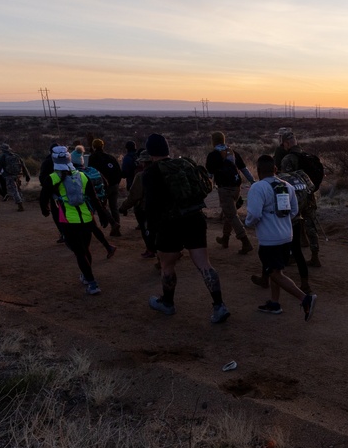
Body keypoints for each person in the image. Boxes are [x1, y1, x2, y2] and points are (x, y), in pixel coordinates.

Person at [141, 133, 230, 324]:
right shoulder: (184, 164)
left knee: (167, 266)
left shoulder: (150, 172)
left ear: (150, 152)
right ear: (167, 148)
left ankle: (168, 303)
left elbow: (151, 205)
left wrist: (151, 230)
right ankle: (219, 305)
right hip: (195, 218)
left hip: (169, 224)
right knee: (205, 264)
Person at [245, 155, 317, 319]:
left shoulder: (258, 187)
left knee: (274, 273)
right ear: (275, 169)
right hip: (286, 236)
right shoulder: (287, 186)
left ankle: (305, 299)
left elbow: (254, 214)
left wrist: (248, 223)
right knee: (276, 270)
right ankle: (274, 303)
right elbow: (293, 211)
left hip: (269, 239)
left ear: (258, 170)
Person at [44, 145, 106, 295]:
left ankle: (92, 283)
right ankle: (86, 277)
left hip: (67, 221)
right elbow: (94, 198)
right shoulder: (83, 176)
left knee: (79, 253)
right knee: (86, 250)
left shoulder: (52, 178)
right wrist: (103, 214)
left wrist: (45, 209)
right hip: (86, 219)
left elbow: (43, 198)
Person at [204, 131, 255, 254]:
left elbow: (209, 175)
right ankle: (225, 238)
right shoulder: (232, 152)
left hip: (224, 188)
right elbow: (244, 169)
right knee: (229, 213)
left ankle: (245, 241)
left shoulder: (213, 155)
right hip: (236, 188)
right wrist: (253, 182)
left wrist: (205, 187)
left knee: (232, 215)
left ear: (213, 141)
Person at [278, 130, 322, 267]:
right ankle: (315, 256)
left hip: (295, 197)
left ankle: (293, 255)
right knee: (311, 225)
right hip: (309, 194)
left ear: (286, 143)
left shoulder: (288, 159)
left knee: (292, 226)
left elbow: (284, 181)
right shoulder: (307, 156)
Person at [88, 139, 124, 236]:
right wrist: (116, 183)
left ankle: (113, 223)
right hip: (114, 185)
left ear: (93, 146)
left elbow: (92, 173)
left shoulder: (93, 158)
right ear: (103, 146)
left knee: (101, 206)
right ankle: (116, 230)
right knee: (114, 207)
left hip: (102, 186)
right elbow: (118, 171)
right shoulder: (111, 157)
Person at [0, 144, 31, 212]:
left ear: (2, 149)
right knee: (18, 189)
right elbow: (23, 165)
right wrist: (27, 175)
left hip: (9, 175)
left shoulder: (1, 156)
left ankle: (20, 205)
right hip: (18, 175)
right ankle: (21, 201)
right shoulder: (16, 155)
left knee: (13, 190)